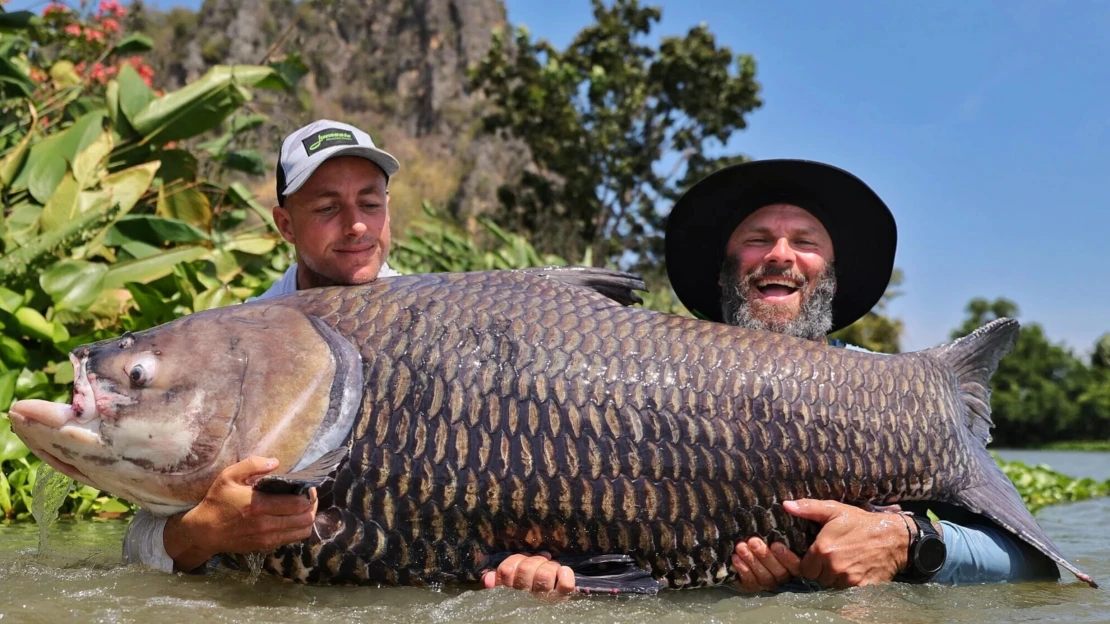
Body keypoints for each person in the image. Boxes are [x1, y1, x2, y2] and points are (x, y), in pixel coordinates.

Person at [494, 158, 1059, 594]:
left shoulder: (896, 395)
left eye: (805, 242)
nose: (780, 255)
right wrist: (543, 567)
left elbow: (1036, 566)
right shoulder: (638, 376)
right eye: (757, 239)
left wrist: (908, 543)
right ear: (724, 274)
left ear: (831, 277)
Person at [121, 120, 560, 594]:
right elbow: (136, 543)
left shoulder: (450, 332)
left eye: (369, 204)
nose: (355, 226)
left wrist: (538, 554)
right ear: (285, 224)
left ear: (387, 210)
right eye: (328, 208)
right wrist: (200, 533)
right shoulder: (233, 345)